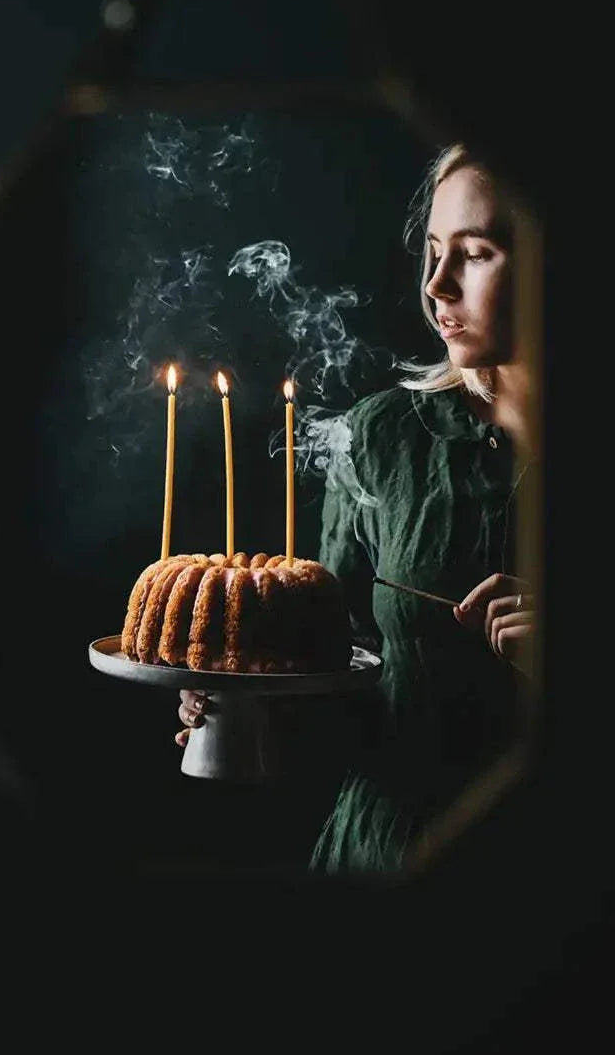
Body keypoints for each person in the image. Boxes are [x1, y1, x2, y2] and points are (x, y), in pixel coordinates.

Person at [175, 142, 540, 875]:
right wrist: (249, 699)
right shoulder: (381, 437)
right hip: (387, 861)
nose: (437, 283)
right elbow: (333, 676)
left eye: (475, 253)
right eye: (433, 251)